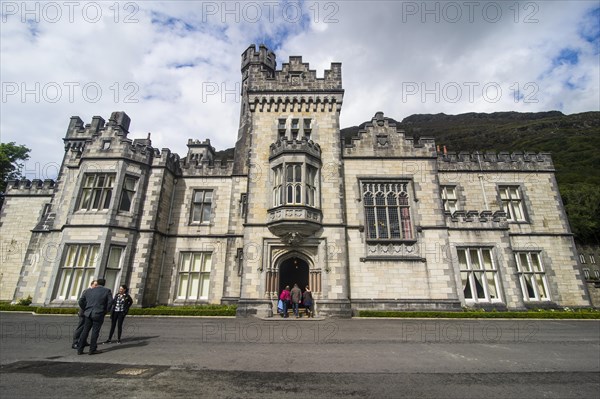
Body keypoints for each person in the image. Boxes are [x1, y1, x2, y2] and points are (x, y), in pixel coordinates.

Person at [77, 278, 113, 355]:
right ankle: (92, 349)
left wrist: (85, 308)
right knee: (95, 331)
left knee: (85, 331)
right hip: (98, 313)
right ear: (104, 284)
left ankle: (80, 349)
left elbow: (80, 301)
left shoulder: (89, 290)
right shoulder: (107, 291)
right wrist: (105, 311)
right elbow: (110, 302)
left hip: (88, 313)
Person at [72, 280, 97, 349]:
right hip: (84, 312)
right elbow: (81, 301)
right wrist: (85, 308)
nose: (96, 286)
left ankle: (83, 341)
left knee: (86, 328)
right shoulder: (87, 291)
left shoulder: (94, 292)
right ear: (91, 284)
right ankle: (75, 342)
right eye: (95, 285)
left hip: (88, 313)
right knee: (80, 328)